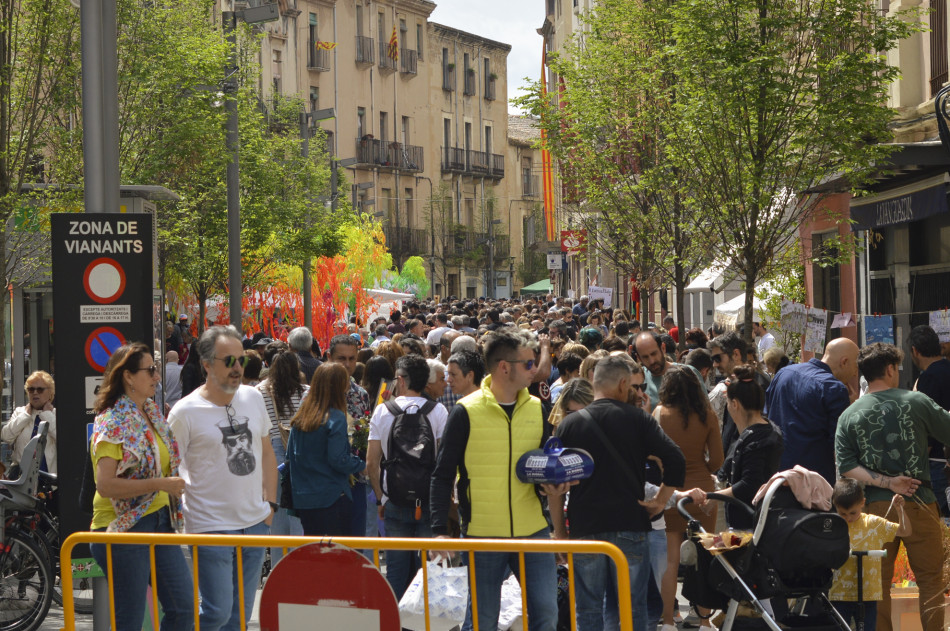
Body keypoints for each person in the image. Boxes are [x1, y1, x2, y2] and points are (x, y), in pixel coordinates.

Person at [430, 328, 558, 631]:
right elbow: (442, 473)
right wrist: (438, 531)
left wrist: (553, 484)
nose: (536, 369)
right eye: (528, 363)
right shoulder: (465, 412)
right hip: (482, 534)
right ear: (504, 367)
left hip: (533, 531)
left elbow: (543, 466)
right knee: (482, 621)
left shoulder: (538, 409)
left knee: (547, 615)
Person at [549, 355, 687, 631]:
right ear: (623, 383)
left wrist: (560, 535)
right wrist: (660, 500)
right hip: (629, 524)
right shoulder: (638, 419)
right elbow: (676, 459)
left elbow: (554, 486)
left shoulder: (569, 425)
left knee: (587, 606)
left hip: (585, 527)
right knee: (633, 605)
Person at [168, 325, 277, 631]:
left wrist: (270, 504)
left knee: (239, 617)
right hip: (209, 526)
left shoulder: (253, 398)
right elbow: (167, 467)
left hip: (255, 523)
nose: (237, 368)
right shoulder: (184, 412)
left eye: (240, 360)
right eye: (228, 361)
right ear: (205, 364)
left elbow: (267, 451)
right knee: (216, 612)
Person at [835, 342, 950, 631]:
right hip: (919, 500)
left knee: (878, 586)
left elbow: (846, 465)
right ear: (889, 369)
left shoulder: (849, 415)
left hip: (873, 507)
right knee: (930, 581)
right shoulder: (917, 401)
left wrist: (886, 482)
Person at [89, 343, 192, 631]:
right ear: (128, 377)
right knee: (130, 621)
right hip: (123, 527)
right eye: (150, 370)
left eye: (156, 369)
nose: (157, 376)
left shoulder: (150, 412)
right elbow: (106, 485)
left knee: (184, 609)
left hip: (160, 521)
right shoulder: (113, 420)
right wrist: (162, 484)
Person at [367, 354, 449, 599]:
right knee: (429, 570)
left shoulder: (383, 411)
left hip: (395, 499)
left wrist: (382, 498)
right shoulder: (438, 411)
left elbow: (371, 462)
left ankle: (395, 620)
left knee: (396, 569)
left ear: (401, 380)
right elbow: (444, 461)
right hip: (428, 500)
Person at [655, 365, 723, 631]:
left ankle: (670, 620)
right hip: (703, 492)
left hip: (671, 491)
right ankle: (705, 620)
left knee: (670, 559)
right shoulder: (708, 415)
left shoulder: (659, 413)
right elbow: (717, 460)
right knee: (704, 556)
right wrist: (702, 470)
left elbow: (653, 456)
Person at [692, 365, 783, 530]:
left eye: (727, 402)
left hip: (750, 525)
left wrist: (715, 496)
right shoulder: (764, 430)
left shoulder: (758, 440)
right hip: (750, 520)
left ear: (734, 404)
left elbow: (749, 484)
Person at [767, 337, 858, 485]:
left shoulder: (783, 373)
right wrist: (850, 408)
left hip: (777, 473)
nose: (855, 374)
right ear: (844, 362)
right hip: (813, 480)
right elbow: (838, 443)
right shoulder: (834, 388)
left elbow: (769, 413)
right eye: (856, 366)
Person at [288, 363, 366, 535]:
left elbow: (290, 456)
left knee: (316, 555)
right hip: (332, 497)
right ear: (338, 386)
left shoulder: (301, 416)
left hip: (305, 499)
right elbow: (338, 459)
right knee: (337, 555)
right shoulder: (335, 417)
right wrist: (361, 465)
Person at [828, 479, 909, 631]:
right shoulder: (835, 525)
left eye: (853, 512)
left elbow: (905, 532)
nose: (849, 518)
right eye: (843, 514)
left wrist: (900, 510)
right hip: (840, 594)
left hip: (868, 595)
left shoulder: (873, 523)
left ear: (862, 503)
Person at [256, 351, 307, 562]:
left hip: (271, 452)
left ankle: (278, 566)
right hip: (299, 452)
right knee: (297, 511)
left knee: (276, 512)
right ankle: (298, 566)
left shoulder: (259, 392)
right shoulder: (306, 392)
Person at [908, 325, 950, 516]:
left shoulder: (929, 378)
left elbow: (926, 423)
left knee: (938, 517)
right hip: (945, 455)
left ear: (915, 351)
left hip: (937, 459)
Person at [3, 370, 57, 477]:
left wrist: (47, 415)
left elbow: (65, 441)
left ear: (50, 392)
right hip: (21, 478)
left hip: (48, 480)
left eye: (40, 389)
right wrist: (25, 416)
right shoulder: (20, 412)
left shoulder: (55, 415)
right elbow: (6, 436)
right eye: (31, 389)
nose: (35, 393)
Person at [634, 332, 703, 409]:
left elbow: (706, 412)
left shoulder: (688, 374)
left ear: (663, 348)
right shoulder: (637, 379)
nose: (652, 361)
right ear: (639, 358)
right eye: (645, 357)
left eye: (654, 354)